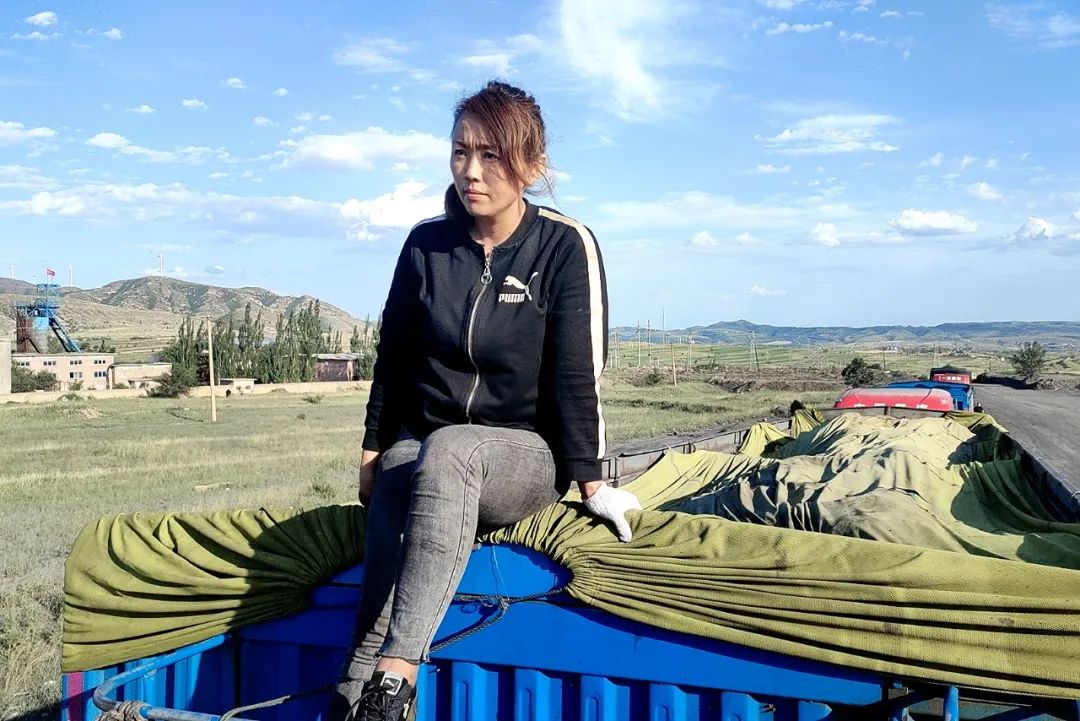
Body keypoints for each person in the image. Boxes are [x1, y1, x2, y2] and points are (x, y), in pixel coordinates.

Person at [331, 81, 641, 721]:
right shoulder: (426, 245)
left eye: (491, 155)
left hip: (524, 457)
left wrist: (592, 481)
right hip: (426, 445)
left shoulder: (563, 245)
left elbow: (577, 374)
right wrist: (372, 449)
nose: (471, 171)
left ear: (532, 164)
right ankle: (355, 692)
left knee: (453, 450)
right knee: (401, 470)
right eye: (460, 152)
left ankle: (397, 675)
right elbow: (394, 358)